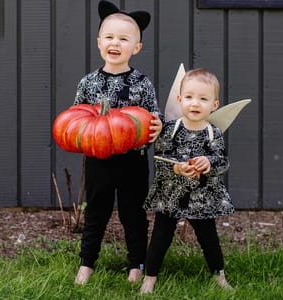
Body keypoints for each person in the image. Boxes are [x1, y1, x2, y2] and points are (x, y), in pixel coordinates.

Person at [73, 0, 163, 285]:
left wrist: (158, 124)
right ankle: (87, 264)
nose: (115, 43)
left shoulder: (141, 82)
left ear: (136, 48)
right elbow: (76, 117)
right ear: (99, 42)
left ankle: (136, 263)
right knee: (96, 212)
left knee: (133, 214)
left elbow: (154, 114)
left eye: (124, 39)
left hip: (132, 160)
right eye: (109, 37)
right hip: (99, 159)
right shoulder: (88, 82)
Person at [140, 68, 234, 294]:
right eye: (189, 97)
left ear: (214, 104)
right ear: (180, 99)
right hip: (171, 193)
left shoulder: (214, 133)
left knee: (208, 236)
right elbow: (160, 159)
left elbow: (222, 161)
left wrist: (208, 163)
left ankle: (218, 275)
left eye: (203, 99)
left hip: (201, 195)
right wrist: (176, 166)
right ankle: (149, 278)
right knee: (161, 235)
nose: (195, 103)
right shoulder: (171, 130)